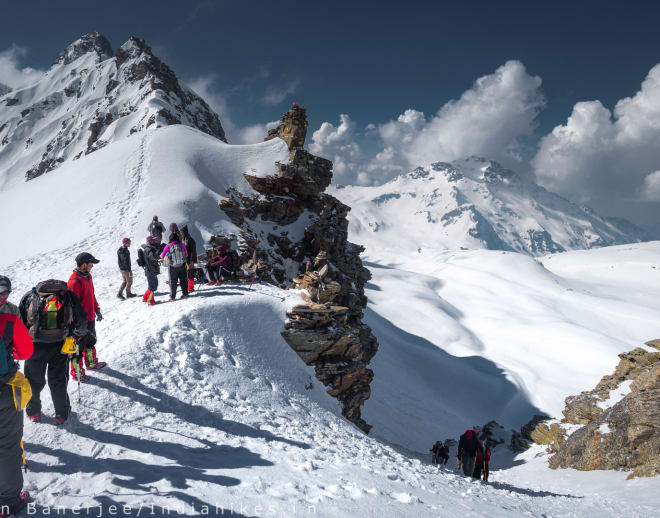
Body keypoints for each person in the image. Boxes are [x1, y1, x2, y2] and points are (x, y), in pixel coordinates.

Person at [19, 280, 88, 425]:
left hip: (35, 345)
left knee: (32, 379)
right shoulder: (68, 295)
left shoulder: (31, 296)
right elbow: (81, 321)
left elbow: (21, 320)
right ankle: (61, 413)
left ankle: (33, 412)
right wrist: (74, 337)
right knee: (58, 380)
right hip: (60, 344)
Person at [0, 276, 33, 517]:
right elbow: (26, 350)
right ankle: (9, 501)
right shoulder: (9, 316)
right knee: (7, 446)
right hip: (3, 389)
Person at [67, 253, 105, 381]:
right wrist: (75, 324)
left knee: (91, 341)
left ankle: (91, 363)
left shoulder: (88, 276)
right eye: (90, 263)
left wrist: (97, 309)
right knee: (78, 348)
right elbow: (71, 306)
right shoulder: (74, 281)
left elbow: (91, 295)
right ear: (83, 264)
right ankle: (77, 373)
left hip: (90, 317)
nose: (92, 266)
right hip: (79, 323)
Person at [161, 234, 189, 301]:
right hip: (182, 265)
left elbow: (162, 256)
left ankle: (172, 297)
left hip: (172, 266)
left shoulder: (168, 246)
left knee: (173, 282)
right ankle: (185, 293)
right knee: (183, 280)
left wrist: (169, 257)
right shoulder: (181, 245)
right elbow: (186, 254)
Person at [140, 235, 161, 305]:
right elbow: (151, 257)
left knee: (151, 285)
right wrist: (158, 258)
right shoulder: (149, 249)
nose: (155, 241)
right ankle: (150, 301)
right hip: (151, 270)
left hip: (150, 270)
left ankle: (145, 298)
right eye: (153, 240)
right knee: (153, 286)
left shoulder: (148, 248)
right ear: (150, 241)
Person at [179, 226, 197, 292]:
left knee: (190, 274)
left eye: (182, 232)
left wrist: (192, 261)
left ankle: (191, 288)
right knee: (187, 273)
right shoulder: (183, 239)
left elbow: (193, 251)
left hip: (190, 259)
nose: (181, 234)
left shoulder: (190, 240)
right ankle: (189, 287)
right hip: (185, 259)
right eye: (180, 232)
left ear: (185, 232)